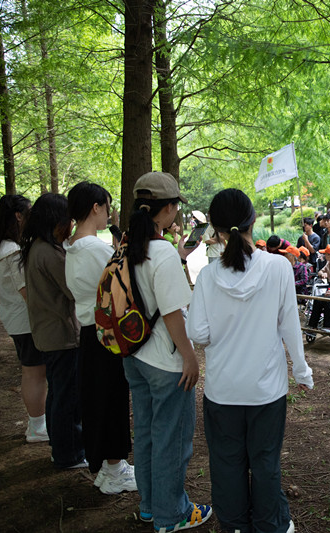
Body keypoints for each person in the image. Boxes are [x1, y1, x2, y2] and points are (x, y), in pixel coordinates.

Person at [186, 188, 312, 533]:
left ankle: (235, 525)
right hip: (266, 391)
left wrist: (224, 331)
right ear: (252, 220)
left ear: (217, 230)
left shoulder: (209, 276)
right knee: (265, 461)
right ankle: (270, 524)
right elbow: (290, 325)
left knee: (226, 463)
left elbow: (198, 333)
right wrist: (301, 370)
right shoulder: (278, 267)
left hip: (223, 391)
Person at [122, 172, 211, 531]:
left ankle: (149, 506)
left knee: (145, 432)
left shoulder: (129, 246)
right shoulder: (161, 254)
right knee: (171, 439)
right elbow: (174, 313)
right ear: (169, 208)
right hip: (165, 361)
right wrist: (189, 357)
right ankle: (171, 514)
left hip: (135, 356)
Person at [63, 182, 137, 493]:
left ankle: (110, 468)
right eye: (107, 207)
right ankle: (114, 469)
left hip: (89, 332)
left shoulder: (73, 246)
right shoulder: (95, 249)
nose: (109, 214)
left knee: (99, 400)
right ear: (96, 207)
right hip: (105, 333)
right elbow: (122, 284)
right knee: (110, 401)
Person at [20, 193, 85, 468]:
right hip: (60, 335)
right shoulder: (49, 252)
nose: (71, 225)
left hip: (50, 333)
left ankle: (61, 448)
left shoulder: (39, 247)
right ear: (55, 220)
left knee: (59, 394)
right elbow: (73, 288)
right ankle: (68, 454)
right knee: (66, 398)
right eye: (68, 220)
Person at [0, 194, 48, 443]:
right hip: (24, 321)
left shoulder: (6, 247)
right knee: (34, 372)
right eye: (29, 211)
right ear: (18, 215)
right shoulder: (12, 251)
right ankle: (36, 425)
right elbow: (27, 291)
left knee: (33, 371)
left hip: (18, 319)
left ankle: (37, 423)